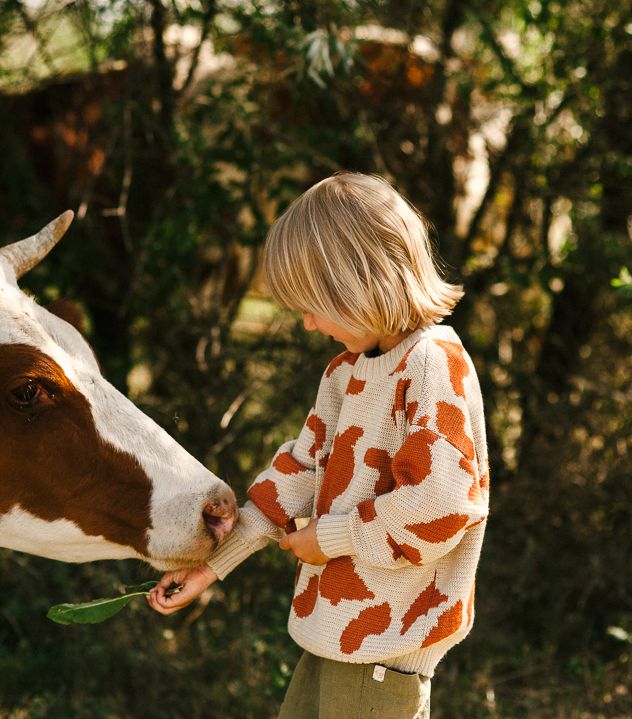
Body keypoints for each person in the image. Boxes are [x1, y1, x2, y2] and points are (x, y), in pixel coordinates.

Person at [148, 172, 490, 719]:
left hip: (388, 645)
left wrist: (332, 536)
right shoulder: (344, 374)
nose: (307, 324)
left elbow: (443, 503)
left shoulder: (430, 364)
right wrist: (215, 564)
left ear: (358, 286)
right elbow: (301, 470)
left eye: (312, 306)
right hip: (335, 638)